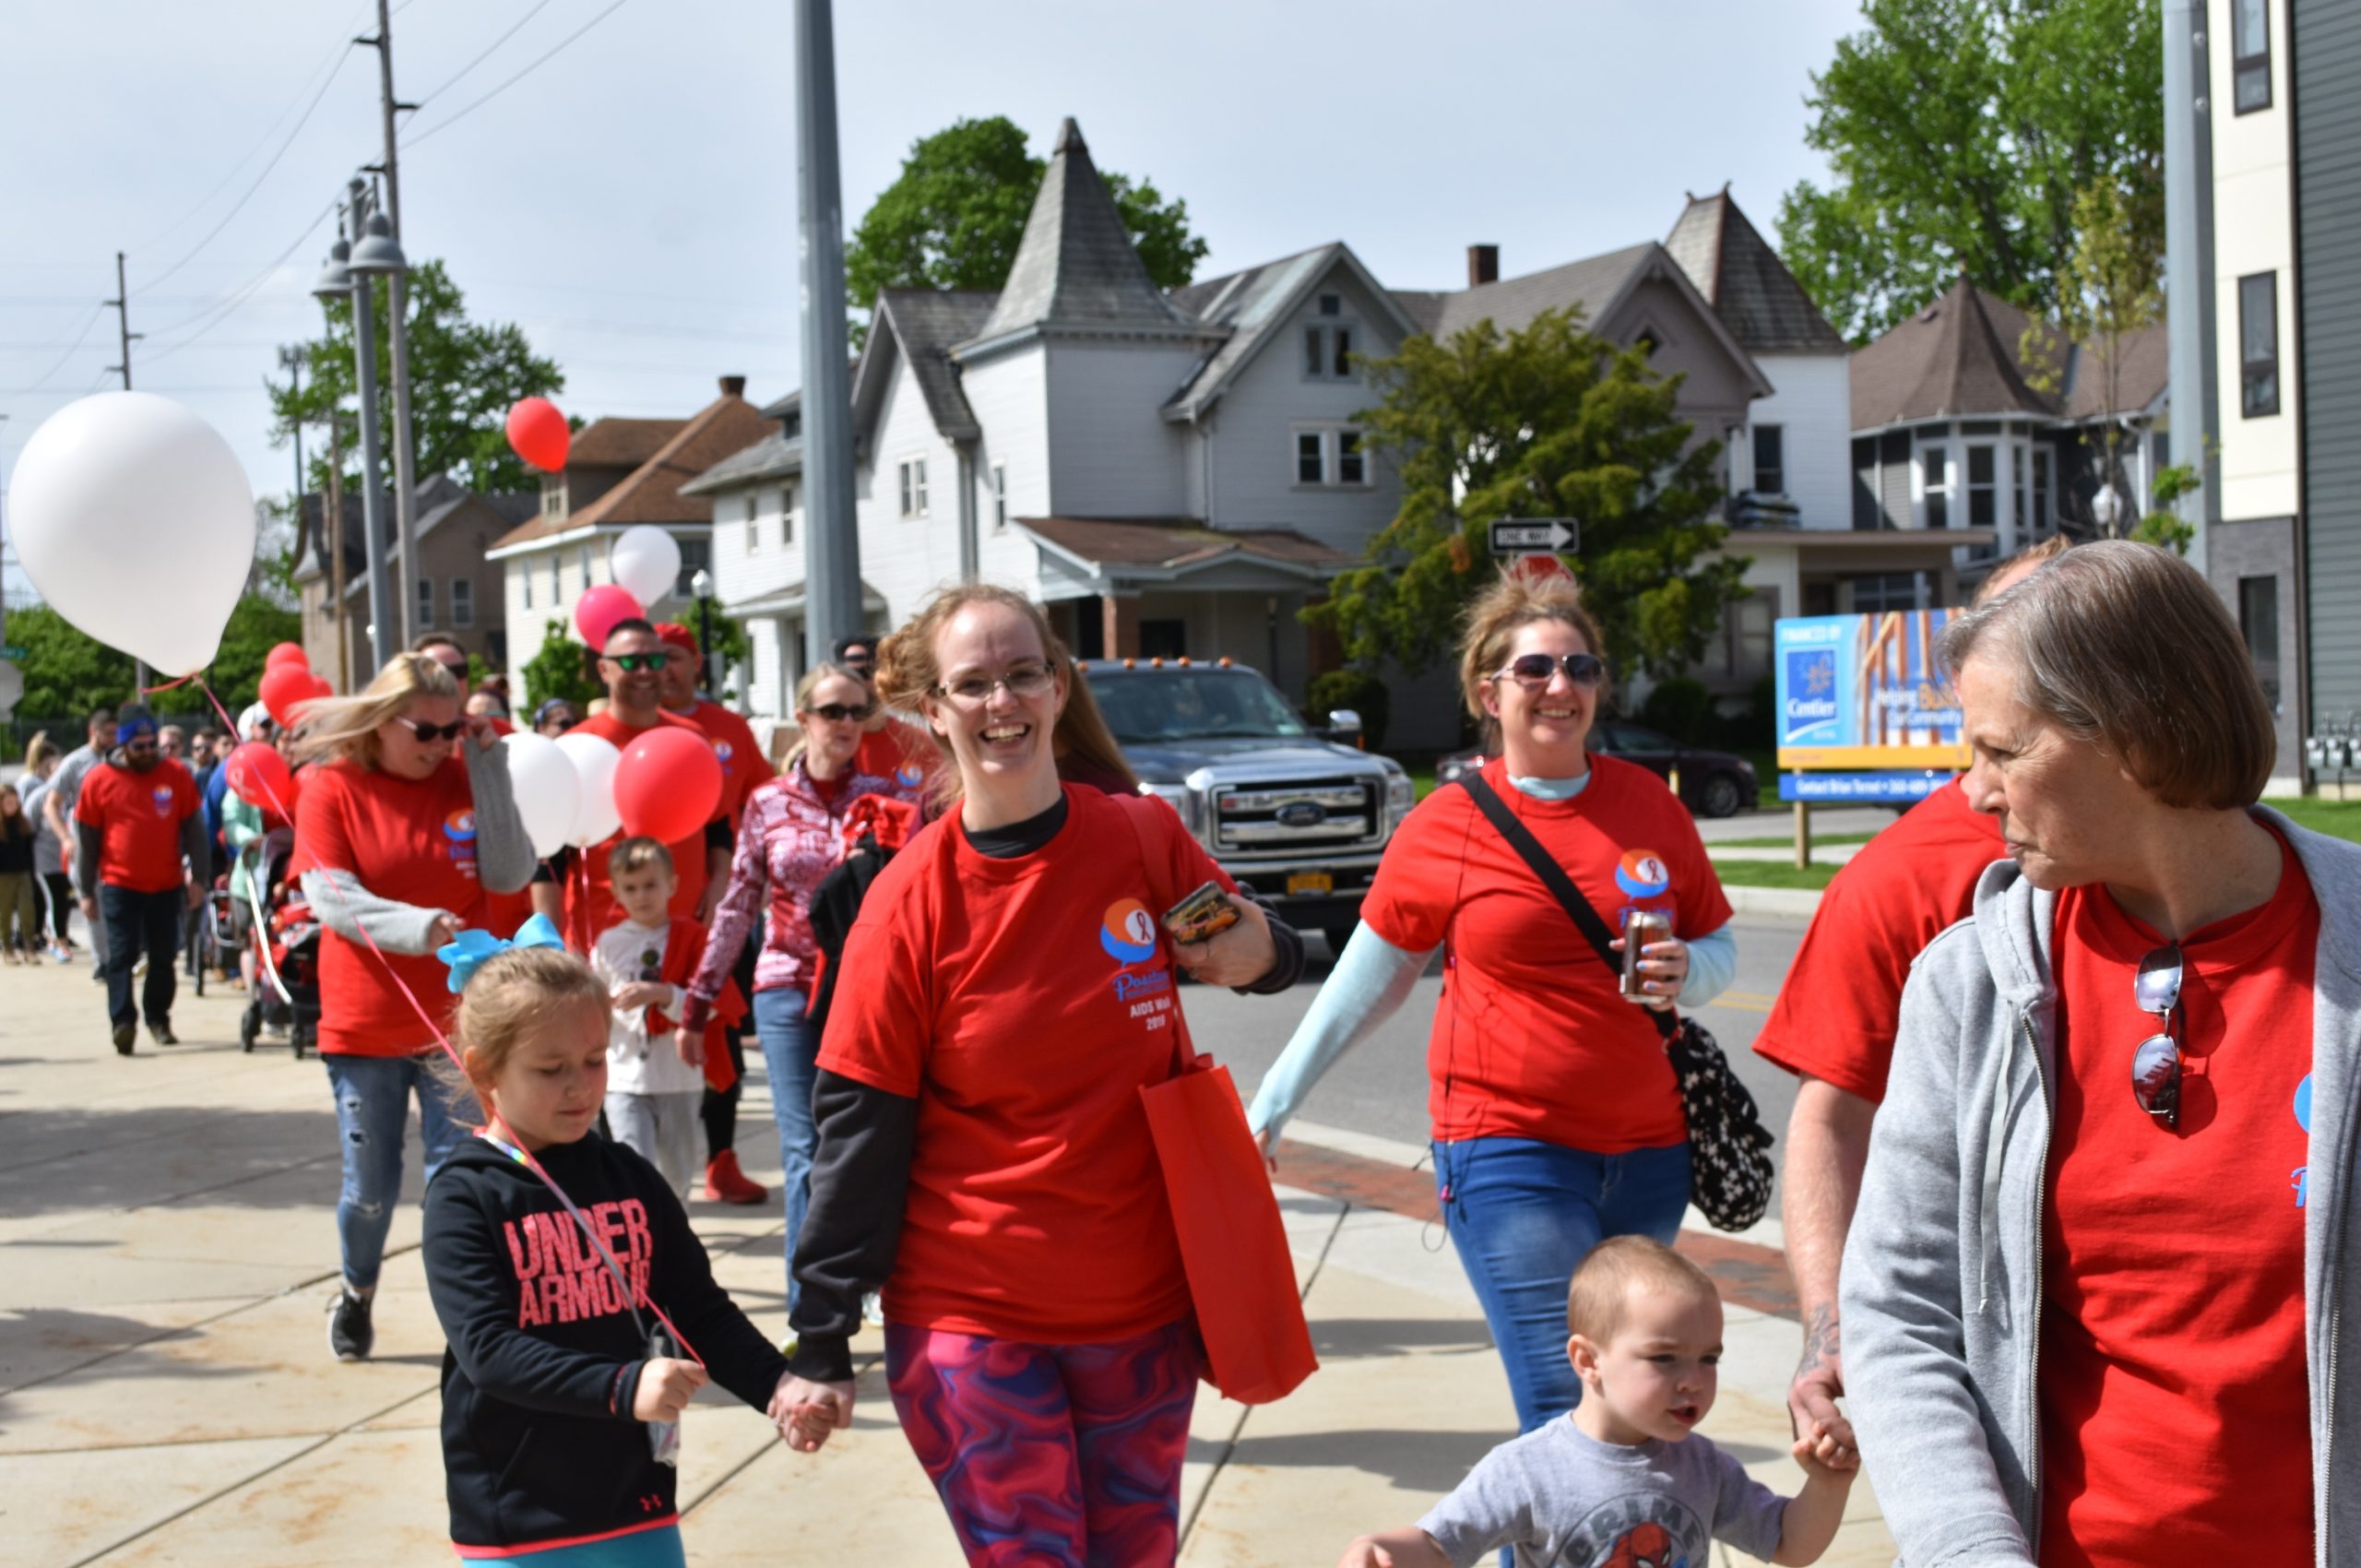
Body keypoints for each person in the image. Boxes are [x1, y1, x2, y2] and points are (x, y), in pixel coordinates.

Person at [1842, 540, 2361, 1566]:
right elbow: (1898, 1309)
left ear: (2132, 734)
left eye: (2002, 750)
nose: (1974, 791)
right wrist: (1964, 1548)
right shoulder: (1969, 984)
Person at [771, 584, 1304, 1563]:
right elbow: (857, 1126)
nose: (1000, 701)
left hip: (1141, 1310)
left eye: (1021, 673)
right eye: (971, 683)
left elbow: (1251, 949)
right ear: (933, 711)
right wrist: (820, 1334)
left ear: (1058, 687)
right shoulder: (907, 903)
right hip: (974, 1316)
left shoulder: (1138, 838)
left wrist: (1267, 950)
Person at [1245, 566, 1738, 1451]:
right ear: (1490, 692)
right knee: (1565, 1410)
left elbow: (1717, 951)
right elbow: (1372, 977)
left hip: (1651, 1155)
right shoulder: (1448, 823)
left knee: (1629, 1414)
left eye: (1581, 669)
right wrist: (1273, 1103)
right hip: (1509, 1151)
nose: (1561, 688)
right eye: (1536, 670)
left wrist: (1686, 970)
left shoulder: (1647, 806)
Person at [1751, 537, 2068, 1445]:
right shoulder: (1899, 876)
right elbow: (1831, 1116)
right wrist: (1833, 1328)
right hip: (1981, 1367)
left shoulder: (2218, 862)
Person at [422, 936, 794, 1567]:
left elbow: (698, 1309)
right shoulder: (465, 1196)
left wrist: (778, 1387)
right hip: (518, 1510)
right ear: (484, 1069)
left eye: (595, 1060)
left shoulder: (628, 1175)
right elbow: (488, 1351)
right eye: (551, 1068)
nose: (580, 1086)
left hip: (634, 1494)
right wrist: (623, 1386)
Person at [291, 651, 535, 1362]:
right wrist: (417, 925)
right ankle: (357, 1289)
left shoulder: (464, 773)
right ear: (380, 723)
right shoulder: (332, 786)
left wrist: (488, 767)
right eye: (423, 731)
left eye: (450, 729)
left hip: (458, 1020)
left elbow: (511, 871)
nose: (438, 745)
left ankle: (468, 1324)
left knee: (455, 1181)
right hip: (365, 1023)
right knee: (370, 1189)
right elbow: (331, 896)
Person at [1338, 1238, 1857, 1568]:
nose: (1693, 1381)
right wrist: (1379, 1548)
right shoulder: (1528, 1470)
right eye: (1665, 1358)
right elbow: (1440, 1545)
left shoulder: (1705, 1466)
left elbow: (1790, 1544)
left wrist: (1828, 1485)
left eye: (1709, 1359)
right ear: (1588, 1361)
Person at [677, 661, 908, 1307]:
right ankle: (812, 1311)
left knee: (860, 1144)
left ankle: (866, 1279)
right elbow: (736, 904)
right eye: (832, 710)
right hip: (785, 985)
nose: (846, 724)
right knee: (803, 1145)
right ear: (803, 717)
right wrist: (697, 1004)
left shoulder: (890, 800)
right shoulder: (767, 801)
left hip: (864, 991)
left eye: (858, 712)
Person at [655, 622, 776, 1205]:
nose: (664, 669)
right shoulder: (631, 731)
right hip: (637, 918)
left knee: (719, 1038)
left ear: (696, 663)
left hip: (711, 917)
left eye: (674, 658)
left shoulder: (728, 729)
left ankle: (721, 1161)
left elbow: (759, 806)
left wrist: (727, 881)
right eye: (654, 659)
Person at [530, 620, 730, 956]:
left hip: (686, 937)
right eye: (630, 662)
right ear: (604, 669)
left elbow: (719, 826)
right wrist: (546, 945)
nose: (644, 671)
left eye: (655, 660)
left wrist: (720, 886)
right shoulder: (575, 747)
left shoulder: (691, 738)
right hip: (601, 944)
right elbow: (548, 859)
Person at [589, 837, 743, 1197]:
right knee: (634, 1167)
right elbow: (594, 1001)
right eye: (631, 888)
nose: (641, 895)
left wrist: (663, 995)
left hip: (678, 1076)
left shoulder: (692, 937)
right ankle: (646, 1244)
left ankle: (672, 1235)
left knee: (676, 1174)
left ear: (671, 885)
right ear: (616, 892)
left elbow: (716, 1002)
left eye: (650, 885)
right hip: (624, 1076)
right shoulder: (608, 943)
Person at [73, 705, 206, 1051]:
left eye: (152, 745)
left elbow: (195, 831)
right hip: (119, 884)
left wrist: (199, 879)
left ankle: (158, 1018)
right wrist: (85, 890)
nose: (148, 753)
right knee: (121, 956)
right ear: (123, 745)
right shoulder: (99, 780)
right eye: (140, 747)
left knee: (163, 956)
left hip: (166, 884)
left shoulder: (176, 774)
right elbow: (86, 842)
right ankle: (123, 1023)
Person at [45, 707, 116, 979]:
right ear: (93, 731)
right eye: (107, 733)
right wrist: (64, 838)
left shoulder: (118, 758)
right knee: (92, 901)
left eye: (115, 732)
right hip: (85, 840)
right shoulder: (75, 763)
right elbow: (51, 805)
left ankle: (118, 957)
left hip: (113, 842)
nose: (112, 738)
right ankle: (103, 963)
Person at [20, 732, 73, 960]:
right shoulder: (38, 793)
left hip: (65, 857)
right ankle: (56, 941)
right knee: (53, 899)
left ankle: (57, 937)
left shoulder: (70, 796)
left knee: (63, 900)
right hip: (45, 857)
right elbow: (27, 824)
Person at [0, 784, 37, 963]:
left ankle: (29, 946)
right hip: (3, 875)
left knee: (27, 911)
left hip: (23, 873)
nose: (12, 806)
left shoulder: (23, 823)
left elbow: (29, 850)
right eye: (8, 803)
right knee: (4, 912)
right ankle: (7, 948)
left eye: (15, 802)